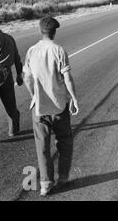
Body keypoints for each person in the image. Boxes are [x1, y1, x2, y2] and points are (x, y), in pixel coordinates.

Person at [23, 16, 79, 196]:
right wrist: (74, 98)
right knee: (64, 141)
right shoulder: (58, 50)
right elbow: (67, 79)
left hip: (39, 109)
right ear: (54, 32)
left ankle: (46, 184)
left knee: (42, 147)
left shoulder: (31, 51)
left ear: (41, 31)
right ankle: (62, 177)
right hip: (59, 107)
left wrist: (34, 96)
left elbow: (27, 78)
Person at [0, 12, 23, 144]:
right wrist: (19, 74)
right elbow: (17, 58)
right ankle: (13, 130)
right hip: (8, 74)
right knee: (10, 103)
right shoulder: (9, 38)